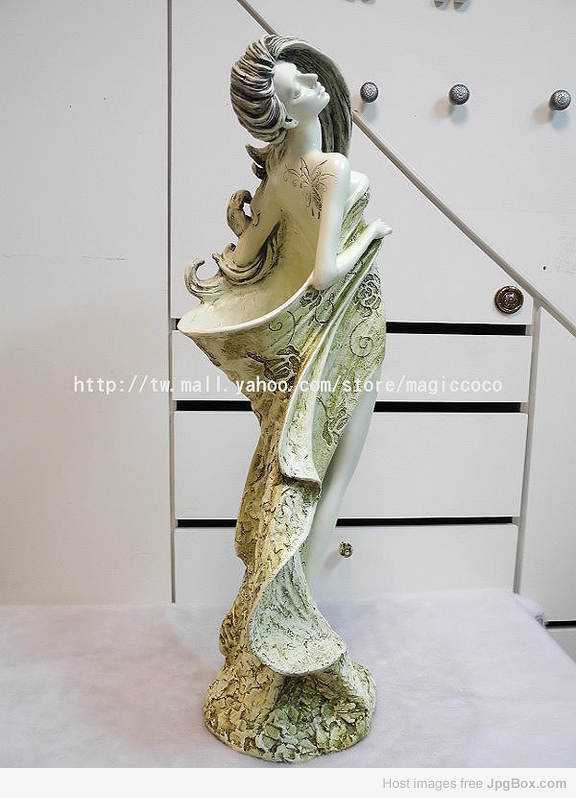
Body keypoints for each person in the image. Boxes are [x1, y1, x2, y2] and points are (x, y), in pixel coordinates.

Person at [178, 34, 391, 762]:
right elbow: (326, 273)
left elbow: (241, 261)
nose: (313, 84)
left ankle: (281, 632)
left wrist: (232, 244)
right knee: (327, 487)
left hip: (313, 349)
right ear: (282, 112)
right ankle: (293, 634)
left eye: (304, 75)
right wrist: (374, 235)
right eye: (296, 85)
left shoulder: (276, 177)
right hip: (344, 340)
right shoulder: (330, 168)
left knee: (298, 479)